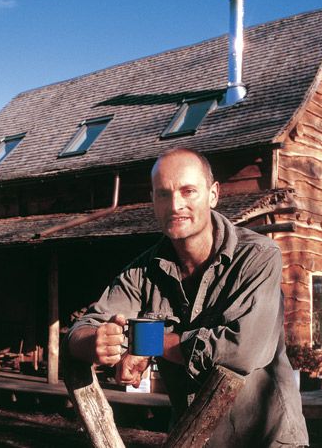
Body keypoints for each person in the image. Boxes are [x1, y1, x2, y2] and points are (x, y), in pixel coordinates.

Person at [66, 147, 308, 447]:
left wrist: (148, 343)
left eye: (188, 191)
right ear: (153, 201)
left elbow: (240, 351)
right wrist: (97, 342)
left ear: (213, 194)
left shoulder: (258, 257)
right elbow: (83, 328)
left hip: (267, 438)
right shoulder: (141, 273)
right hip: (192, 439)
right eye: (164, 194)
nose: (175, 204)